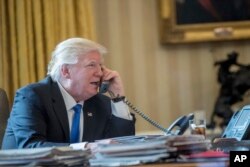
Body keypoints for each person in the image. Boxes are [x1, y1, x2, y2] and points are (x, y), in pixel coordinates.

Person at [1, 38, 135, 149]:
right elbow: (30, 147)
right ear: (66, 71)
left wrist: (118, 99)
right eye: (91, 65)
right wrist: (86, 147)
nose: (100, 73)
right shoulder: (32, 96)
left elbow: (121, 146)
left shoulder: (100, 103)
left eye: (101, 66)